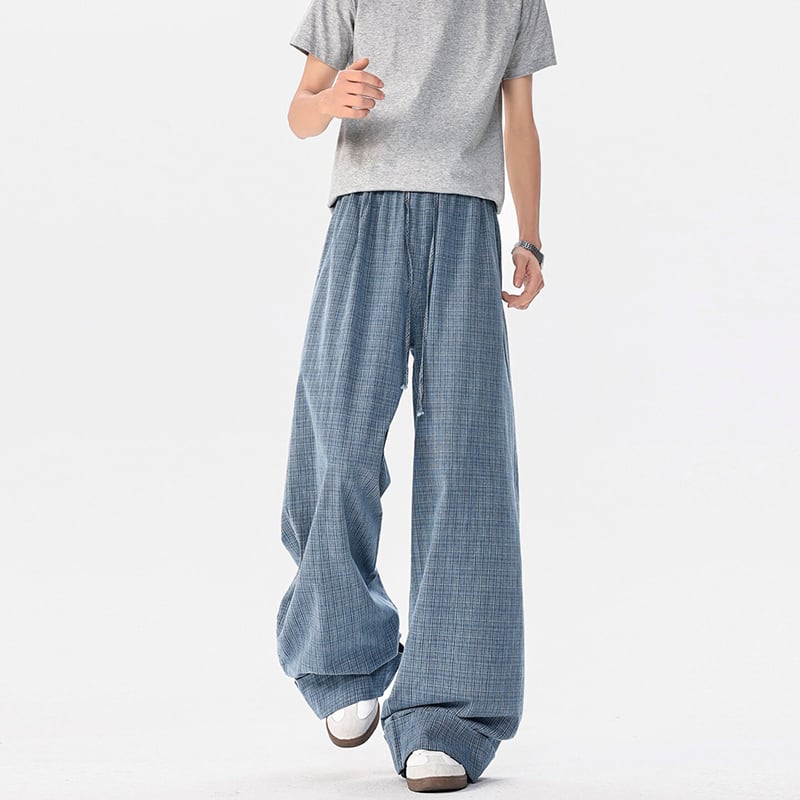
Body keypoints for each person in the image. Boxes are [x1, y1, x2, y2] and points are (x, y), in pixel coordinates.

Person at [275, 0, 557, 792]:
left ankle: (448, 713)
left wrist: (530, 236)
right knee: (336, 437)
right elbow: (300, 112)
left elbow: (521, 118)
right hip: (363, 215)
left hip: (466, 222)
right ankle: (343, 656)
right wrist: (331, 101)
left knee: (468, 460)